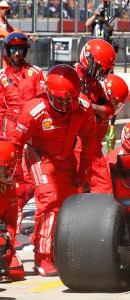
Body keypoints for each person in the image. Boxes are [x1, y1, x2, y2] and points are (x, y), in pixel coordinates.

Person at [8, 65, 96, 276]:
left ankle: (58, 250)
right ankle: (43, 258)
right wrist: (15, 176)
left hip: (65, 159)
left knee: (68, 206)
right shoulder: (34, 109)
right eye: (60, 100)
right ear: (49, 95)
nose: (65, 105)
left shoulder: (84, 106)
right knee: (50, 199)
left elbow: (90, 140)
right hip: (38, 155)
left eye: (69, 100)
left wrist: (83, 170)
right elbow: (15, 143)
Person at [0, 32, 45, 235]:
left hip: (33, 134)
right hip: (10, 135)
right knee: (11, 180)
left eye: (20, 50)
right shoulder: (1, 76)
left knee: (32, 181)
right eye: (13, 50)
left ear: (25, 51)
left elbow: (43, 102)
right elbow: (0, 108)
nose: (16, 53)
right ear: (7, 52)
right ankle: (11, 225)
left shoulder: (36, 73)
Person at [75, 38, 116, 194]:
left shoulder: (95, 85)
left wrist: (89, 107)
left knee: (104, 187)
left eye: (103, 71)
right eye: (98, 68)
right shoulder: (70, 76)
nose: (99, 74)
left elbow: (109, 110)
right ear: (88, 58)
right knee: (75, 187)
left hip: (91, 142)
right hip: (72, 142)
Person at [0, 138, 24, 282]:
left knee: (16, 270)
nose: (7, 173)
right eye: (2, 169)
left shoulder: (9, 192)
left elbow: (11, 225)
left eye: (8, 168)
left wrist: (7, 250)